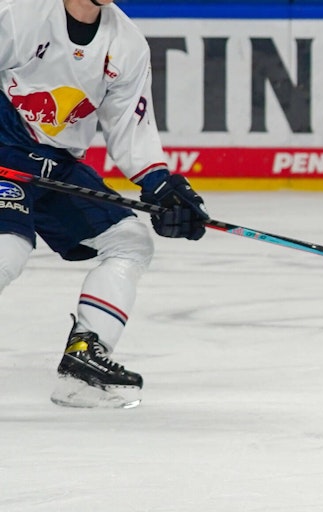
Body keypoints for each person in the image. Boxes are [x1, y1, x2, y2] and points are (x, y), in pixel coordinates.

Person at [1, 0, 210, 408]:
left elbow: (131, 128)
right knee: (8, 247)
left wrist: (161, 185)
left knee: (130, 242)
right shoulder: (18, 12)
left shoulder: (127, 43)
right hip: (5, 148)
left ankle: (82, 365)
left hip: (57, 165)